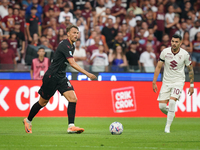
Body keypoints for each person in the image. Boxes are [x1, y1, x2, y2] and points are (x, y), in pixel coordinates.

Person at [23, 24, 97, 134]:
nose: (76, 35)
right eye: (73, 33)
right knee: (42, 103)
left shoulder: (72, 46)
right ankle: (28, 120)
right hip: (51, 77)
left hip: (61, 77)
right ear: (68, 34)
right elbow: (72, 63)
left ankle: (71, 126)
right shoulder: (64, 45)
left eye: (77, 33)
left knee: (73, 99)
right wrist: (87, 74)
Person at [152, 34, 194, 133]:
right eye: (172, 41)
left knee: (172, 102)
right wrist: (154, 82)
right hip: (166, 81)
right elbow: (158, 67)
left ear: (180, 42)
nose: (174, 44)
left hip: (178, 81)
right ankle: (171, 113)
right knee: (161, 106)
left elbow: (190, 70)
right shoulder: (165, 52)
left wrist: (191, 85)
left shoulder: (185, 54)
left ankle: (167, 127)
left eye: (176, 42)